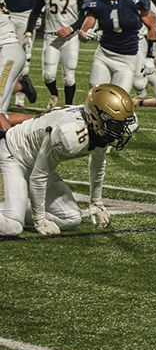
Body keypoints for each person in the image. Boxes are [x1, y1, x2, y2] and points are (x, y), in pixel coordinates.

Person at [0, 83, 137, 237]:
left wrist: (96, 202)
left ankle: (13, 204)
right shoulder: (69, 133)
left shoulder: (98, 128)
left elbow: (98, 165)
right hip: (11, 156)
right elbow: (39, 177)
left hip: (35, 162)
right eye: (115, 125)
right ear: (96, 118)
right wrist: (40, 219)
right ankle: (12, 209)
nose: (119, 130)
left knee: (71, 218)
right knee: (11, 227)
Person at [77, 0, 156, 94]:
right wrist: (86, 35)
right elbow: (82, 32)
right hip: (104, 55)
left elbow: (152, 26)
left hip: (127, 58)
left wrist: (150, 57)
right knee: (96, 93)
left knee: (118, 98)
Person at [24, 0, 90, 110]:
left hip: (70, 38)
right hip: (51, 36)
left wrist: (72, 28)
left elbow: (85, 15)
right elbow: (35, 12)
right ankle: (54, 95)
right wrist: (28, 31)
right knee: (48, 76)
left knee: (69, 77)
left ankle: (68, 106)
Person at [0, 0, 44, 107]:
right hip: (6, 13)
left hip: (26, 14)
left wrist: (39, 12)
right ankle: (18, 89)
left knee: (22, 55)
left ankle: (20, 95)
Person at [0, 0, 37, 113]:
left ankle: (40, 127)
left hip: (8, 55)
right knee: (1, 113)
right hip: (7, 53)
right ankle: (21, 86)